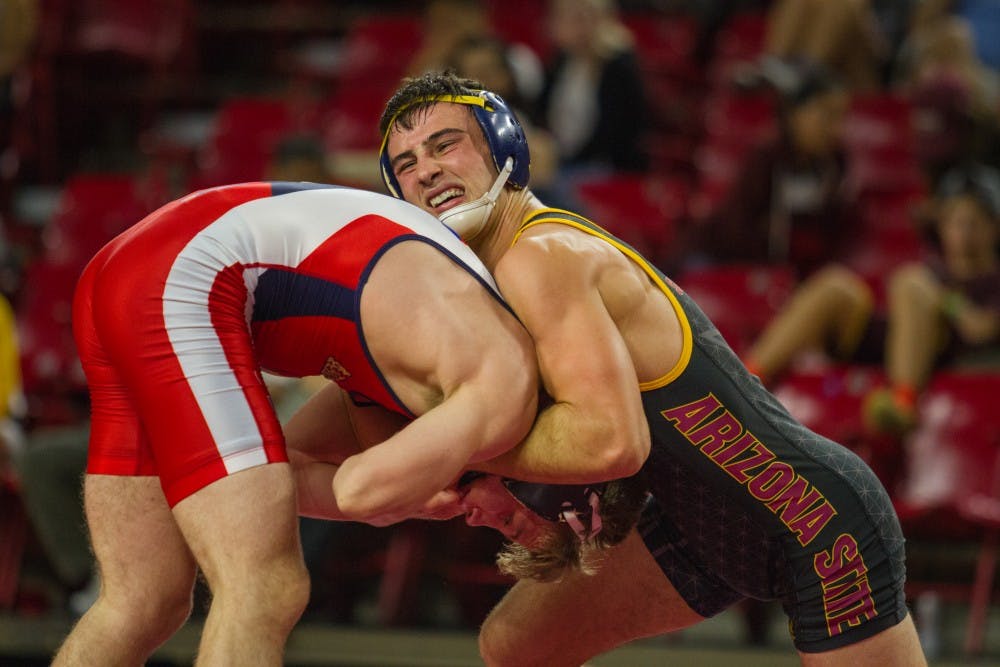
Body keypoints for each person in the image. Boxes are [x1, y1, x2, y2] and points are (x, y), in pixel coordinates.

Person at [376, 71, 927, 666]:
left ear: (502, 147)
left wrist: (447, 453)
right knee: (515, 645)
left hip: (812, 520)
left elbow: (610, 442)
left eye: (444, 145)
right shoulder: (489, 279)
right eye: (405, 163)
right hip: (702, 523)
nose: (425, 169)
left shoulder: (540, 255)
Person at [54, 181, 538, 665]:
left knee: (143, 600)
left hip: (134, 269)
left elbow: (284, 465)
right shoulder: (500, 388)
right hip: (184, 275)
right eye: (512, 520)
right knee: (262, 586)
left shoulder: (418, 379)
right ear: (536, 478)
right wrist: (407, 494)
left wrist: (409, 488)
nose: (487, 523)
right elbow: (357, 493)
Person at [744, 163, 1000, 436]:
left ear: (994, 226)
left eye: (974, 222)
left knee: (911, 282)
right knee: (835, 285)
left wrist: (945, 303)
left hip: (941, 356)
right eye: (955, 221)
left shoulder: (992, 280)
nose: (964, 232)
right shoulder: (935, 269)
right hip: (890, 347)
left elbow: (980, 329)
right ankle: (745, 381)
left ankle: (902, 402)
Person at [690, 60, 859, 280]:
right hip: (723, 260)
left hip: (790, 275)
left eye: (841, 117)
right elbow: (738, 229)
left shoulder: (836, 164)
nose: (836, 129)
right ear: (795, 113)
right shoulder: (767, 156)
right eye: (827, 115)